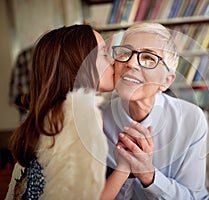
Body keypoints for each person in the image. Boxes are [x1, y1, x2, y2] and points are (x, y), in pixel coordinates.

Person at [5, 24, 129, 200]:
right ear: (80, 63)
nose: (113, 61)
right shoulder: (80, 114)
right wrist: (126, 165)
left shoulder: (53, 112)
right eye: (103, 54)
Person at [102, 22, 209, 199]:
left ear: (166, 81)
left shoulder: (191, 118)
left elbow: (193, 197)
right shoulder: (99, 119)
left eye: (148, 58)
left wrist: (148, 176)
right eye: (125, 52)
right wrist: (125, 172)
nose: (131, 63)